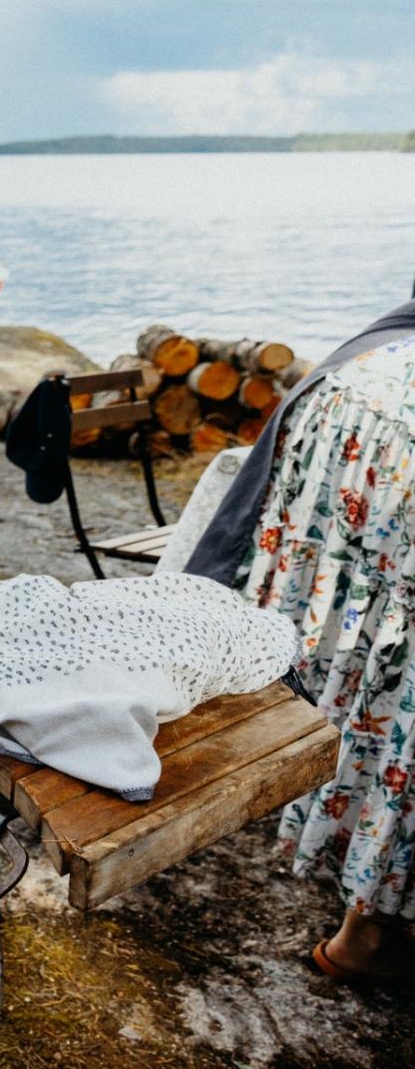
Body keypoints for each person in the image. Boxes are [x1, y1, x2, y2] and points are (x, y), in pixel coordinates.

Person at [189, 298, 415, 986]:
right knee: (392, 671)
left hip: (355, 404)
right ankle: (365, 932)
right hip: (384, 427)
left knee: (369, 654)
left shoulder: (368, 357)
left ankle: (363, 925)